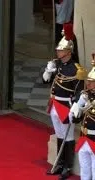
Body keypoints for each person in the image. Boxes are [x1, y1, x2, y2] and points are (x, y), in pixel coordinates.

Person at [43, 23, 86, 179]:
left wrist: (76, 106)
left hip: (66, 106)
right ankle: (59, 163)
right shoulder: (58, 65)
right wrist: (48, 71)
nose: (58, 52)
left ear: (68, 51)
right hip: (55, 104)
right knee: (60, 135)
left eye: (60, 50)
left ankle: (67, 166)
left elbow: (79, 90)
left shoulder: (77, 69)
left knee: (67, 137)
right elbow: (47, 82)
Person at [69, 55, 95, 180]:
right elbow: (77, 118)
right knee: (85, 171)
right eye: (88, 80)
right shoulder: (85, 95)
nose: (88, 83)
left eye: (91, 81)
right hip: (84, 138)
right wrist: (76, 110)